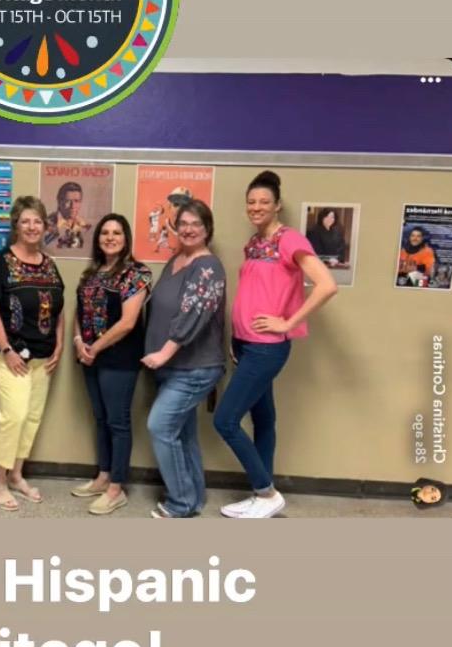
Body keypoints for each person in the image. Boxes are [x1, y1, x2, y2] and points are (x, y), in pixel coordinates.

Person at [215, 170, 338, 519]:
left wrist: (287, 322)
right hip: (245, 344)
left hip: (267, 347)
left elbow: (327, 285)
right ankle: (262, 494)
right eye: (251, 202)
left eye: (264, 202)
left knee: (225, 421)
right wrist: (236, 338)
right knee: (264, 418)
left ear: (277, 205)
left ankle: (266, 492)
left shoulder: (290, 240)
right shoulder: (253, 243)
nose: (256, 207)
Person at [0, 195, 64, 510]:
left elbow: (59, 309)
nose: (32, 226)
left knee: (31, 417)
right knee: (12, 416)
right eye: (26, 221)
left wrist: (60, 344)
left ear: (45, 226)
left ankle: (16, 474)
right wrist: (7, 349)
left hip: (43, 357)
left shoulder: (50, 264)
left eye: (37, 221)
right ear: (16, 225)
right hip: (8, 357)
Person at [141, 200, 226, 519]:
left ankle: (181, 504)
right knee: (182, 432)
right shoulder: (176, 259)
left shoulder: (208, 266)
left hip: (194, 367)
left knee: (160, 426)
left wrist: (164, 351)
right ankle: (194, 497)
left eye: (197, 224)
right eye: (184, 223)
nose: (189, 229)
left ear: (207, 229)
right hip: (170, 367)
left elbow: (195, 313)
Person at [72, 214, 152, 515]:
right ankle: (103, 476)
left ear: (126, 237)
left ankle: (117, 487)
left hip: (119, 359)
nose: (110, 237)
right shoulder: (90, 274)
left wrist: (94, 347)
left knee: (118, 422)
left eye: (116, 232)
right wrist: (80, 342)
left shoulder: (136, 273)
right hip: (90, 357)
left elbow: (128, 322)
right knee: (101, 419)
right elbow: (79, 314)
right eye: (104, 232)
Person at [44, 181, 92, 249]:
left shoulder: (85, 227)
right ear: (59, 201)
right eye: (68, 201)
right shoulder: (47, 225)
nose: (72, 206)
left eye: (76, 201)